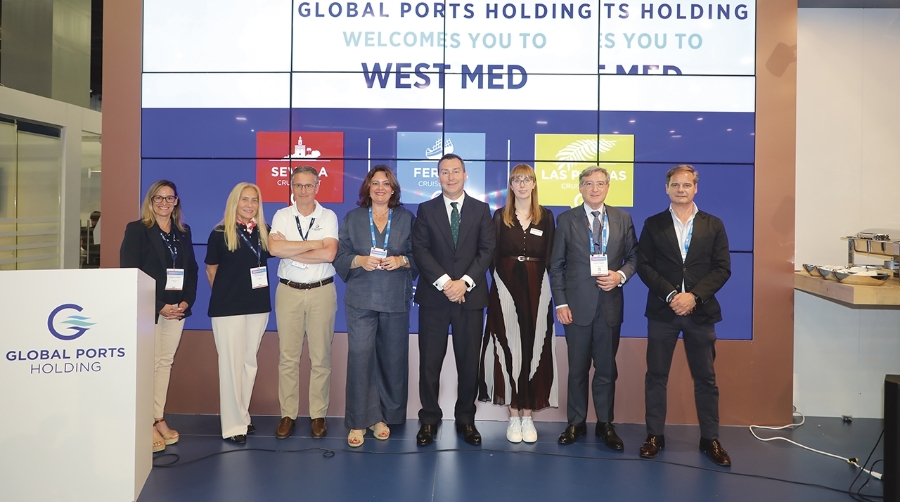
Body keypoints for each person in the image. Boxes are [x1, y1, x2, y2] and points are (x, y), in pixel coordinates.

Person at [635, 164, 732, 466]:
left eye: (686, 185)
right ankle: (654, 436)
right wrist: (671, 296)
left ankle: (710, 439)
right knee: (656, 377)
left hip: (700, 313)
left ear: (695, 188)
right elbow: (644, 265)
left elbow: (722, 268)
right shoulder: (653, 224)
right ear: (667, 188)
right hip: (663, 312)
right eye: (675, 185)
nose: (681, 190)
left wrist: (694, 297)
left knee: (706, 379)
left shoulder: (713, 224)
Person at [549, 166, 637, 449]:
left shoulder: (623, 219)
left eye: (600, 183)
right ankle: (575, 423)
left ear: (608, 187)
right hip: (575, 308)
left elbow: (635, 258)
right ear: (580, 187)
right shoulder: (566, 219)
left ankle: (605, 424)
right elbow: (556, 266)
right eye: (589, 183)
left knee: (606, 370)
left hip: (610, 306)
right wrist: (560, 302)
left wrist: (619, 276)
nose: (595, 188)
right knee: (577, 369)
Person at [412, 153, 496, 447]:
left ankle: (466, 420)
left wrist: (465, 283)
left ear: (465, 175)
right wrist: (447, 283)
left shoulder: (481, 210)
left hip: (469, 299)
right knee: (429, 364)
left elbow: (487, 251)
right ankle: (429, 420)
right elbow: (421, 251)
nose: (450, 177)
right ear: (438, 176)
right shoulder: (425, 210)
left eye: (456, 171)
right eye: (445, 172)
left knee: (468, 363)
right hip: (435, 298)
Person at [334, 166, 418, 447]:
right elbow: (340, 254)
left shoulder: (406, 218)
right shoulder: (354, 218)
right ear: (367, 188)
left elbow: (420, 255)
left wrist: (402, 261)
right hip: (360, 298)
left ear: (393, 189)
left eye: (385, 183)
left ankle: (381, 417)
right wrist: (358, 260)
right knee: (360, 357)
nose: (380, 188)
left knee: (392, 359)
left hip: (395, 298)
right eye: (374, 183)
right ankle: (358, 421)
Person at [478, 164, 557, 444]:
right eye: (517, 180)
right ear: (511, 185)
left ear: (535, 184)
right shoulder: (500, 217)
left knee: (534, 348)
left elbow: (550, 257)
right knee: (509, 348)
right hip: (504, 289)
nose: (522, 184)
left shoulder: (546, 217)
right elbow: (491, 256)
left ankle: (528, 416)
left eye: (527, 179)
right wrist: (502, 284)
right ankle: (513, 415)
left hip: (538, 290)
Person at [120, 180, 199, 453]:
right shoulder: (138, 230)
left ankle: (158, 417)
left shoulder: (183, 232)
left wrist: (186, 300)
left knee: (165, 363)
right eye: (159, 198)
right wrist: (158, 305)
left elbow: (192, 270)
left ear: (176, 202)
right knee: (150, 364)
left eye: (169, 198)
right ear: (150, 201)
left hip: (177, 309)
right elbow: (130, 274)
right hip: (150, 310)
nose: (164, 203)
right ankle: (146, 424)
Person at [268, 166, 339, 440]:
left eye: (309, 185)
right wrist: (313, 245)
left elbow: (330, 253)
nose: (304, 191)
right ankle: (288, 414)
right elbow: (275, 249)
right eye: (298, 185)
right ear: (292, 187)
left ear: (317, 187)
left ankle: (318, 414)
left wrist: (293, 248)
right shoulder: (281, 215)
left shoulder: (329, 216)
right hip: (289, 292)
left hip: (322, 291)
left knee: (321, 356)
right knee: (288, 357)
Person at [205, 183, 272, 444]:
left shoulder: (264, 232)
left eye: (254, 200)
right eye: (244, 199)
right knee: (231, 366)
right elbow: (212, 270)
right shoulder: (220, 233)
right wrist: (226, 294)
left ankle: (243, 417)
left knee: (248, 363)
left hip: (257, 306)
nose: (250, 205)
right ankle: (232, 426)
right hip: (228, 308)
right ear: (235, 201)